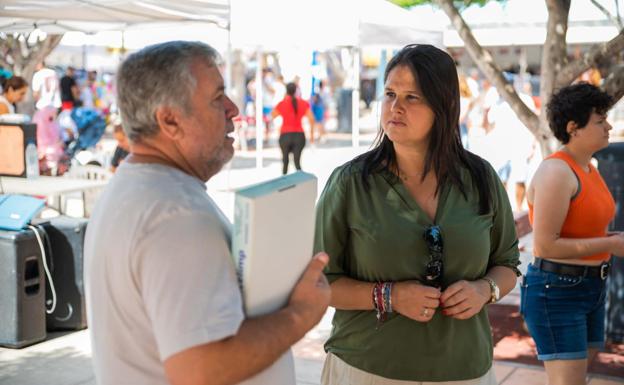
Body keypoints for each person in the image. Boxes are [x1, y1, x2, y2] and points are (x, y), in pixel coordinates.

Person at [84, 41, 331, 385]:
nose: (233, 109)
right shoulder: (175, 215)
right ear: (169, 120)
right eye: (217, 98)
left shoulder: (138, 190)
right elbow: (200, 370)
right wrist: (302, 313)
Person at [314, 44, 520, 384]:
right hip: (367, 368)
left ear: (445, 106)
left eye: (413, 97)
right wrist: (389, 296)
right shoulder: (350, 184)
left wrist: (485, 290)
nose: (395, 107)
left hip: (464, 369)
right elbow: (319, 282)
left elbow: (507, 264)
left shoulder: (481, 179)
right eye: (390, 94)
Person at [521, 83, 624, 385]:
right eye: (600, 120)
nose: (609, 125)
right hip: (559, 290)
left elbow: (588, 227)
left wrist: (612, 239)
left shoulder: (589, 168)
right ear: (573, 128)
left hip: (591, 288)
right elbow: (544, 246)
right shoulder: (556, 172)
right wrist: (610, 244)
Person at [271, 82, 315, 175]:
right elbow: (311, 119)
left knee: (285, 163)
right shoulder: (303, 103)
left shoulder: (282, 103)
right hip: (299, 136)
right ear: (296, 91)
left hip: (285, 136)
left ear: (286, 91)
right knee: (297, 163)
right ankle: (302, 183)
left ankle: (284, 185)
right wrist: (311, 135)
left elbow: (273, 115)